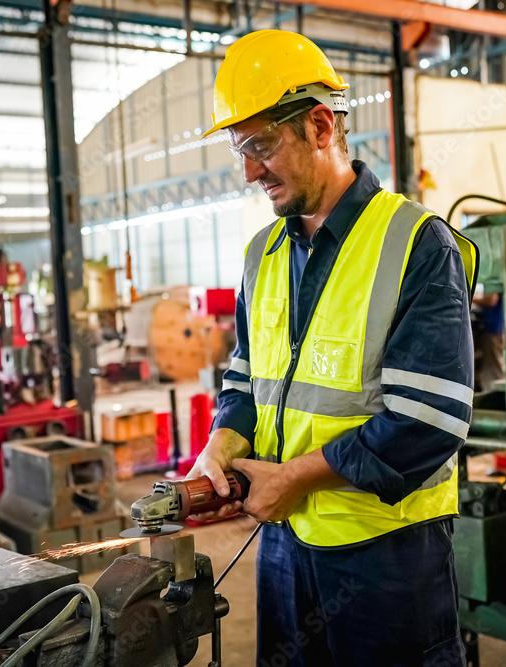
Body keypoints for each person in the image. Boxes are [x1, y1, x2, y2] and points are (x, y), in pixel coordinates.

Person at [187, 30, 478, 666]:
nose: (249, 172)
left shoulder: (417, 243)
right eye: (241, 150)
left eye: (261, 146)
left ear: (321, 126)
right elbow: (244, 381)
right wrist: (222, 444)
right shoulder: (261, 257)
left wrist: (293, 477)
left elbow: (428, 421)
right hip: (285, 545)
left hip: (387, 553)